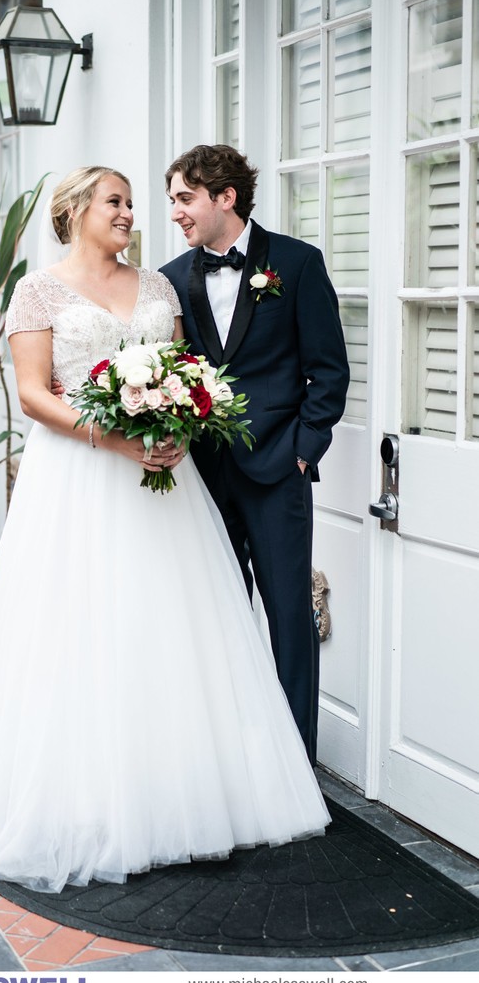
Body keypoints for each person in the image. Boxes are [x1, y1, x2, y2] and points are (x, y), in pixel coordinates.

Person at [0, 166, 329, 894]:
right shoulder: (37, 289)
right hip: (81, 478)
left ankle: (180, 782)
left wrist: (180, 424)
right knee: (88, 624)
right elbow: (31, 393)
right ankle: (92, 789)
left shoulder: (158, 286)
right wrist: (112, 437)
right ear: (77, 210)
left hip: (165, 481)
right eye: (116, 201)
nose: (130, 213)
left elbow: (183, 368)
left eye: (129, 203)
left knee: (171, 627)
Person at [160, 145, 350, 766]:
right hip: (201, 479)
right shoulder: (167, 279)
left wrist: (302, 452)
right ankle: (229, 766)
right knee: (213, 621)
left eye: (184, 199)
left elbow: (329, 374)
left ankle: (295, 767)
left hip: (277, 473)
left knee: (290, 621)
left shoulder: (296, 264)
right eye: (172, 202)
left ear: (225, 197)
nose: (176, 214)